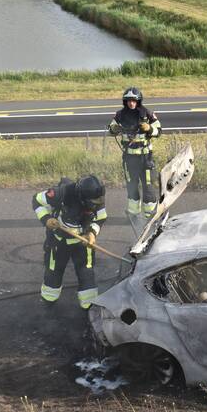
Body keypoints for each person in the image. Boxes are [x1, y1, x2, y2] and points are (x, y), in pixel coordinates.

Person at [33, 175, 108, 309]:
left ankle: (89, 304)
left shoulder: (97, 198)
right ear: (82, 196)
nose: (95, 205)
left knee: (86, 272)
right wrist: (46, 219)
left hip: (82, 242)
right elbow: (37, 201)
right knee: (54, 271)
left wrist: (92, 233)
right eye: (92, 202)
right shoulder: (61, 193)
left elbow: (101, 217)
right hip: (59, 241)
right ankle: (49, 298)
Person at [107, 87, 162, 222]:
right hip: (129, 158)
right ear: (125, 102)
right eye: (129, 101)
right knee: (132, 187)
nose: (131, 103)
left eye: (134, 101)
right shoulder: (120, 115)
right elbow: (111, 130)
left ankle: (151, 216)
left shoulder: (147, 113)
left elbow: (159, 130)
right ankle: (133, 215)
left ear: (138, 101)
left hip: (146, 158)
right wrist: (114, 129)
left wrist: (149, 128)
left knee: (148, 187)